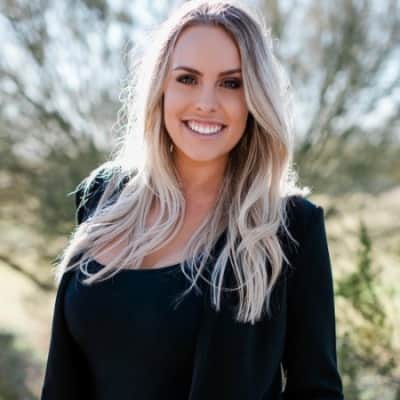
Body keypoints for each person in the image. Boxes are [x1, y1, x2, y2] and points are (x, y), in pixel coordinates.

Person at [40, 0, 344, 399]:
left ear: (255, 98)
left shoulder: (289, 227)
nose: (206, 102)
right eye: (187, 78)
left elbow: (317, 389)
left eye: (231, 83)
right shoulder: (104, 195)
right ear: (161, 88)